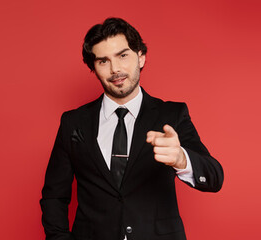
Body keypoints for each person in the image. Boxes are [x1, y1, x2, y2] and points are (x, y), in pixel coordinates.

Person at [40, 17, 224, 240]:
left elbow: (214, 178)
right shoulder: (73, 122)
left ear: (141, 57)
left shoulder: (172, 114)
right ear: (94, 68)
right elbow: (54, 196)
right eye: (103, 61)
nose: (115, 69)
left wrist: (181, 159)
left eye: (123, 55)